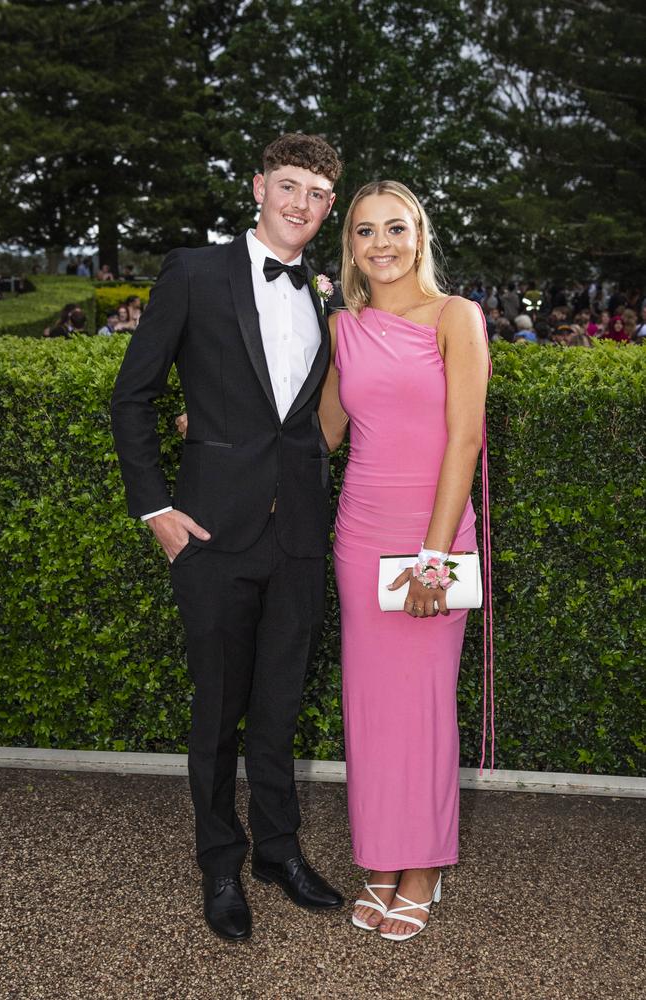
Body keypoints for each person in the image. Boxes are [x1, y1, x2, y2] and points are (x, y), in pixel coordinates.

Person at [110, 133, 344, 943]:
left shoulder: (327, 292)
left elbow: (308, 414)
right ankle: (221, 860)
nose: (301, 205)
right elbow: (132, 397)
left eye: (317, 194)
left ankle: (279, 851)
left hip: (300, 535)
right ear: (257, 187)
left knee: (280, 708)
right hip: (210, 532)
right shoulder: (194, 272)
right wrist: (155, 511)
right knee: (218, 712)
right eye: (289, 186)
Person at [317, 180, 490, 940]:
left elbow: (465, 439)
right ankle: (382, 855)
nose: (380, 244)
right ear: (349, 246)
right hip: (359, 533)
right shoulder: (343, 327)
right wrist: (221, 430)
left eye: (395, 228)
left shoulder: (458, 318)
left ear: (419, 235)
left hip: (435, 537)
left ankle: (422, 868)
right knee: (371, 703)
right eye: (364, 232)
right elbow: (318, 435)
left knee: (422, 703)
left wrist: (431, 557)